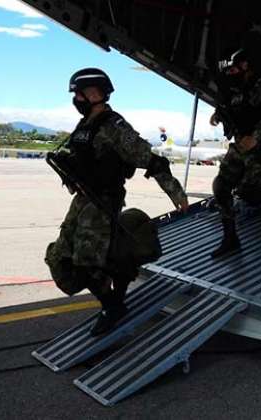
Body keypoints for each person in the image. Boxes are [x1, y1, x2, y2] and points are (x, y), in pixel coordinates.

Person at [45, 68, 189, 336]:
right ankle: (116, 288)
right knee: (60, 261)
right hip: (82, 200)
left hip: (104, 203)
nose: (76, 98)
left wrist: (176, 193)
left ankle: (112, 305)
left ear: (96, 94)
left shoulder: (115, 126)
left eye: (80, 93)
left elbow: (151, 160)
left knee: (88, 260)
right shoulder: (84, 125)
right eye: (75, 94)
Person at [209, 48, 261, 258]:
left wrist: (256, 136)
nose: (231, 73)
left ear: (245, 66)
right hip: (240, 145)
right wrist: (217, 115)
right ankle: (230, 238)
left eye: (235, 68)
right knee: (221, 186)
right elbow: (234, 109)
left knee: (256, 193)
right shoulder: (236, 88)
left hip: (259, 147)